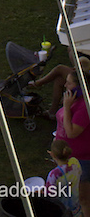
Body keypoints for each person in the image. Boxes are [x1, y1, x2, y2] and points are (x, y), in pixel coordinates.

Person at [55, 71, 90, 216]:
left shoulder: (83, 107)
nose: (65, 85)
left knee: (83, 199)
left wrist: (67, 106)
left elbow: (71, 132)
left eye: (69, 83)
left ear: (79, 87)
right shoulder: (73, 99)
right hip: (66, 157)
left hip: (80, 161)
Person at [30, 50, 90, 120]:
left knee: (60, 68)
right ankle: (53, 111)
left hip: (87, 78)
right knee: (59, 80)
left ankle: (37, 84)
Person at [45, 138, 82, 216]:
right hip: (77, 208)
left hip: (63, 211)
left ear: (52, 154)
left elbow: (50, 195)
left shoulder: (54, 174)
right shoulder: (75, 163)